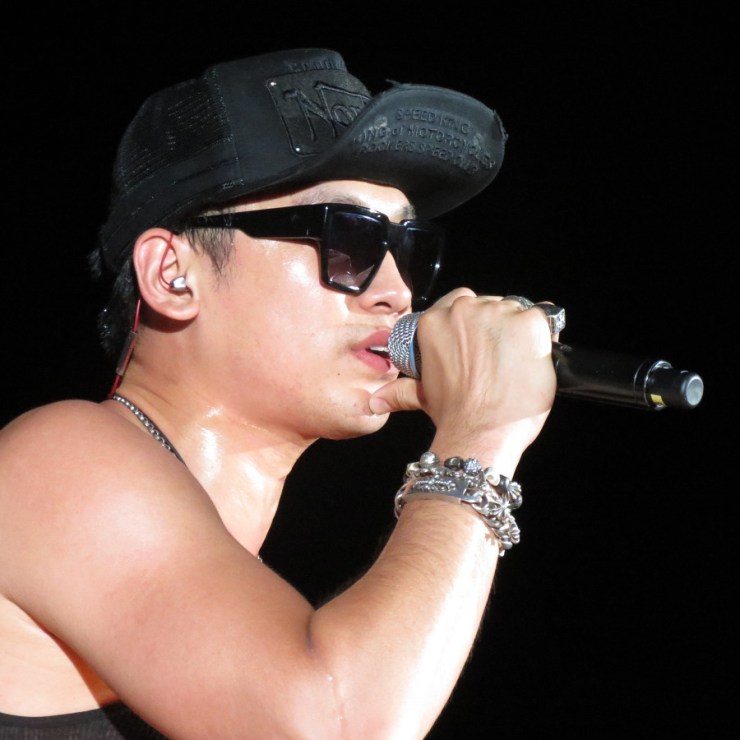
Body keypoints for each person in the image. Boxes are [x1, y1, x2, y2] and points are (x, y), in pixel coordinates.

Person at [0, 48, 560, 738]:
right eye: (348, 239)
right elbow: (337, 726)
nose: (397, 293)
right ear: (173, 274)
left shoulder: (225, 586)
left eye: (408, 250)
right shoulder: (59, 461)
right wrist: (480, 440)